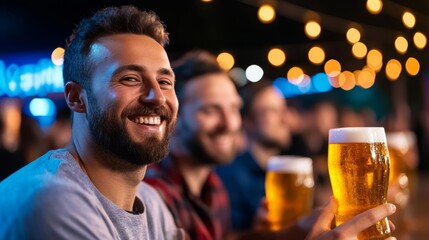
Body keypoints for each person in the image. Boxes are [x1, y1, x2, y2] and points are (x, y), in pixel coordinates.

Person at [144, 50, 397, 240]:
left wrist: (288, 233)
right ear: (173, 114)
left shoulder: (213, 186)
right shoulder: (155, 198)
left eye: (233, 108)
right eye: (210, 110)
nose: (229, 123)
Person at [0, 5, 184, 239]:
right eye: (130, 79)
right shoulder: (53, 200)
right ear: (76, 98)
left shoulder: (152, 203)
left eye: (165, 82)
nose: (157, 96)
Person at [216, 80, 310, 230]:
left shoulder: (287, 172)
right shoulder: (230, 176)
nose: (284, 118)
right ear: (247, 122)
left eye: (284, 109)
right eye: (272, 111)